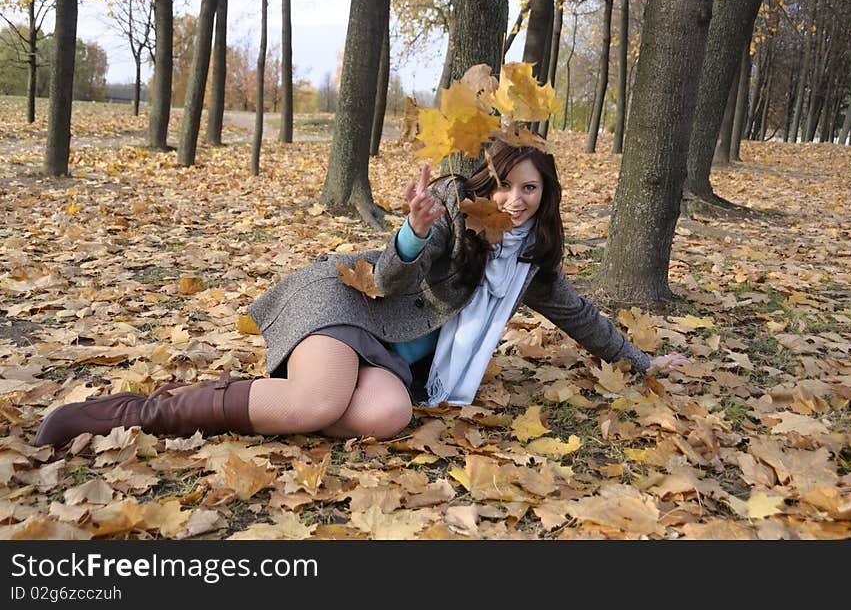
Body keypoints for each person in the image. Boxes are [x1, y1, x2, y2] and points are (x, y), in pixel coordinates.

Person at [33, 139, 688, 447]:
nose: (513, 200)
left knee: (384, 418)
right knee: (316, 402)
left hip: (399, 361)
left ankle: (269, 399)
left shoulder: (532, 267)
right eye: (504, 185)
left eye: (530, 189)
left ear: (545, 200)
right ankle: (140, 413)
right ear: (485, 185)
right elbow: (387, 278)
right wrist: (411, 231)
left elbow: (582, 318)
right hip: (353, 302)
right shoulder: (454, 217)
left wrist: (642, 362)